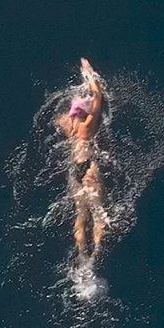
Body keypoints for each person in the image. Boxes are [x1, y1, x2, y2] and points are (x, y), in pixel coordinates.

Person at [54, 58, 107, 258]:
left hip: (73, 173)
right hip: (88, 170)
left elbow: (56, 119)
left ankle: (81, 255)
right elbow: (98, 95)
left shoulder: (67, 125)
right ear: (85, 113)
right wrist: (89, 73)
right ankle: (96, 256)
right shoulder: (86, 128)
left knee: (80, 215)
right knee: (98, 215)